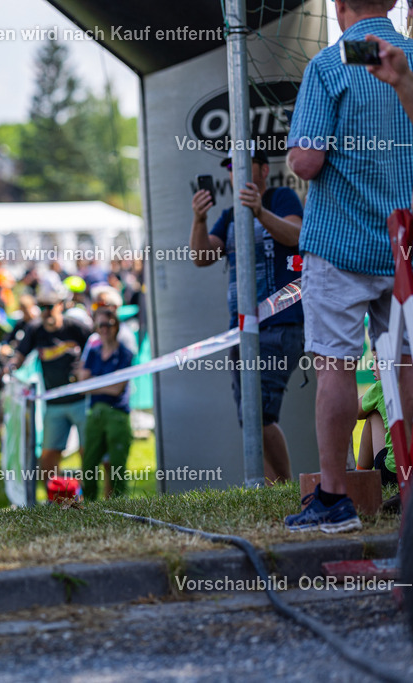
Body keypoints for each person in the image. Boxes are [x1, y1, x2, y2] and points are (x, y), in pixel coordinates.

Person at [285, 0, 413, 533]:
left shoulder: (331, 63)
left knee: (335, 366)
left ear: (338, 5)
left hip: (341, 243)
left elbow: (306, 160)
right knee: (405, 365)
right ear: (392, 2)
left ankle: (334, 497)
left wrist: (296, 152)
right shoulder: (408, 58)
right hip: (403, 242)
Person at [189, 148, 305, 484]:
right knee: (250, 416)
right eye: (230, 166)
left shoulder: (281, 198)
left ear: (264, 170)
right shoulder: (229, 215)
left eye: (243, 163)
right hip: (241, 330)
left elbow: (296, 235)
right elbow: (201, 256)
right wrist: (199, 219)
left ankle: (283, 487)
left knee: (258, 414)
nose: (234, 170)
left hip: (280, 322)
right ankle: (270, 490)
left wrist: (260, 212)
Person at [7, 292, 92, 487]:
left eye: (50, 307)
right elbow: (20, 356)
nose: (46, 312)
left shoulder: (75, 327)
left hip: (82, 400)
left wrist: (86, 369)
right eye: (42, 308)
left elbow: (95, 347)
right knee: (49, 455)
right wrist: (10, 368)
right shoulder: (35, 329)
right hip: (53, 403)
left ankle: (88, 493)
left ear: (60, 306)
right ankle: (54, 495)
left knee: (87, 450)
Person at [77, 308, 135, 500]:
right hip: (95, 414)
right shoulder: (93, 352)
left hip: (117, 414)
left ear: (116, 327)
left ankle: (119, 504)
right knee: (89, 464)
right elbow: (82, 384)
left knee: (117, 466)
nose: (105, 329)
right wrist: (102, 384)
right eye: (101, 325)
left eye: (109, 325)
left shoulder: (125, 353)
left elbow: (117, 389)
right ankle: (89, 504)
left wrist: (93, 382)